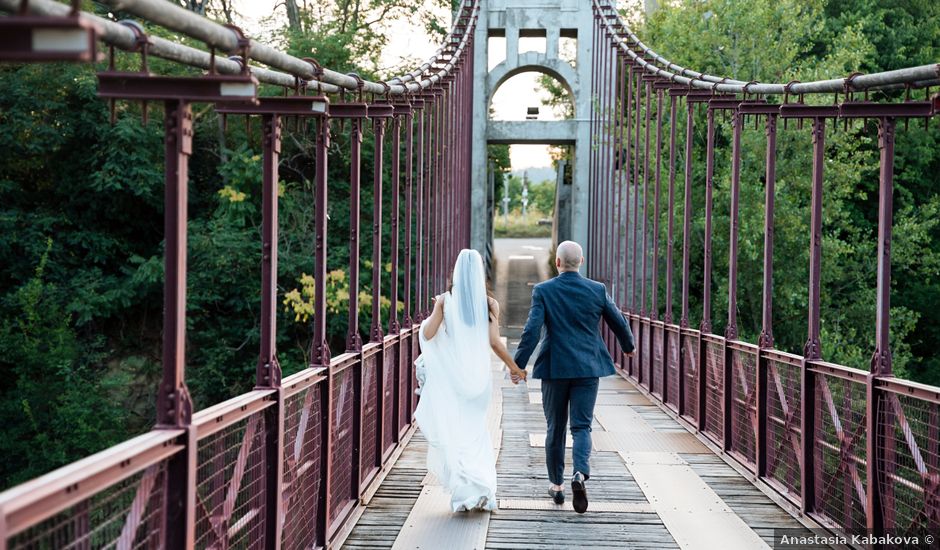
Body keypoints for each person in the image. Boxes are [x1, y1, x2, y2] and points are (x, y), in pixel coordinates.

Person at [512, 240, 634, 514]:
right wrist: (628, 346)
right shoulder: (597, 290)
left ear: (557, 263)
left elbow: (532, 331)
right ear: (582, 262)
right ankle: (580, 473)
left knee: (555, 428)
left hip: (555, 369)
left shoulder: (544, 291)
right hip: (588, 367)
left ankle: (556, 487)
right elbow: (618, 321)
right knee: (582, 427)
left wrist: (518, 364)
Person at [415, 249, 527, 512]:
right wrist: (516, 368)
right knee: (477, 433)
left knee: (457, 433)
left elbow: (429, 334)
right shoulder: (489, 304)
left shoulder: (444, 301)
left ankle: (464, 493)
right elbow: (494, 343)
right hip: (479, 380)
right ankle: (483, 488)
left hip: (455, 379)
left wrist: (436, 310)